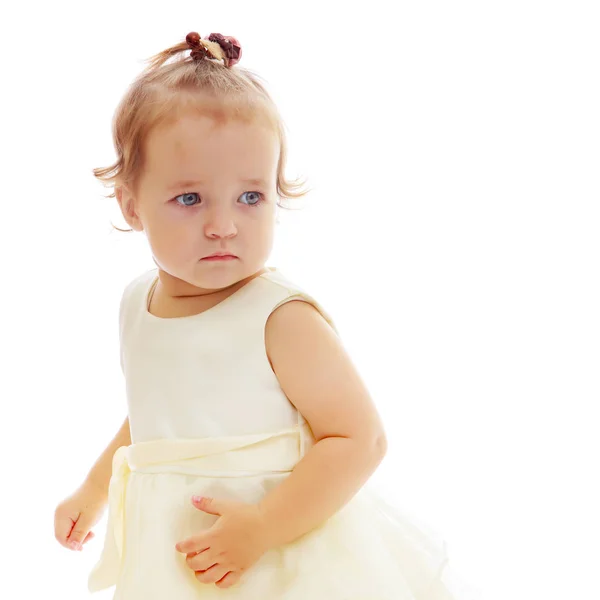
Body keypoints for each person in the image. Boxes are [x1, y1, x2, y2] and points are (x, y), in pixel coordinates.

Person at [53, 31, 469, 599]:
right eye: (190, 199)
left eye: (251, 197)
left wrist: (266, 527)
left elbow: (358, 438)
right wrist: (93, 489)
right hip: (178, 549)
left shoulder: (279, 317)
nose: (224, 225)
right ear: (132, 205)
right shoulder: (135, 302)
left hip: (278, 549)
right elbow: (153, 417)